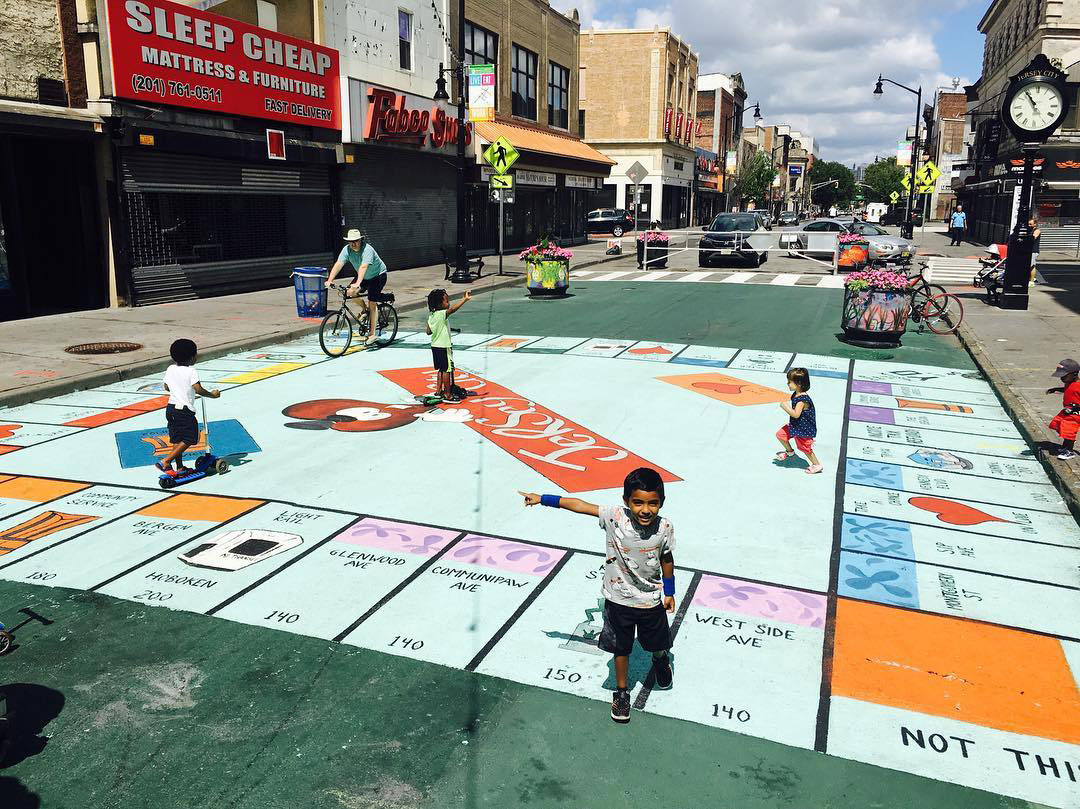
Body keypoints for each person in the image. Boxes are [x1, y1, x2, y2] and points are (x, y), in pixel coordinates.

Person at [519, 467, 675, 725]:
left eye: (652, 503)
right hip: (618, 600)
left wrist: (669, 591)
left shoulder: (665, 528)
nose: (645, 509)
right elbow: (578, 505)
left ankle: (660, 660)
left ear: (661, 503)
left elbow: (667, 558)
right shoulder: (614, 517)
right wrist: (542, 498)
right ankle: (622, 693)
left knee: (658, 643)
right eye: (638, 502)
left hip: (650, 600)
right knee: (620, 649)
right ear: (627, 502)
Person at [157, 339, 220, 476]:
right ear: (192, 357)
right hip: (184, 411)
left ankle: (179, 468)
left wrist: (178, 388)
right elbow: (198, 389)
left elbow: (166, 386)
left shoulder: (170, 368)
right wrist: (212, 395)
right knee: (190, 438)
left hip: (171, 408)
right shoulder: (191, 371)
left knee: (177, 439)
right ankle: (166, 461)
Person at [326, 229, 389, 345]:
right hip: (364, 277)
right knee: (350, 293)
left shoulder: (367, 250)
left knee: (372, 302)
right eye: (350, 241)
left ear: (361, 240)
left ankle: (372, 334)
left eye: (356, 241)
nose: (353, 244)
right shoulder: (347, 250)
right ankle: (365, 309)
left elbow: (363, 267)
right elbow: (339, 264)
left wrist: (357, 283)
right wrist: (330, 280)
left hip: (378, 275)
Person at [426, 288, 471, 401]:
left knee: (441, 369)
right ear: (440, 304)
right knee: (447, 369)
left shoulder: (432, 316)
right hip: (444, 345)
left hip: (435, 345)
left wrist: (438, 327)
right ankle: (447, 394)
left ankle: (438, 391)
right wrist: (464, 300)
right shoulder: (442, 314)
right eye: (446, 301)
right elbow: (452, 310)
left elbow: (428, 331)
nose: (448, 303)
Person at [776, 367, 822, 474]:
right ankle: (790, 452)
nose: (787, 384)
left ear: (799, 384)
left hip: (803, 428)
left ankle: (817, 465)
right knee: (781, 435)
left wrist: (785, 406)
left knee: (805, 448)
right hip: (795, 425)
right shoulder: (796, 394)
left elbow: (796, 414)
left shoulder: (802, 399)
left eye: (790, 382)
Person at [1047, 358, 1079, 460]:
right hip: (1068, 411)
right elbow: (1067, 390)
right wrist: (1056, 389)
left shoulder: (1078, 385)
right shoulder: (1069, 383)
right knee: (1057, 423)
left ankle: (1069, 451)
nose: (1062, 378)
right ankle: (1065, 446)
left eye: (1064, 376)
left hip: (1076, 413)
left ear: (1074, 374)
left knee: (1068, 429)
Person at [1029, 217, 1042, 285]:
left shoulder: (1037, 230)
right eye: (1028, 224)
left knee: (1032, 266)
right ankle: (1030, 279)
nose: (1029, 225)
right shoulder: (1029, 230)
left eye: (1031, 224)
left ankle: (1031, 281)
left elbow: (1033, 238)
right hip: (1029, 250)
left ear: (1035, 224)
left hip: (1033, 250)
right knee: (1028, 265)